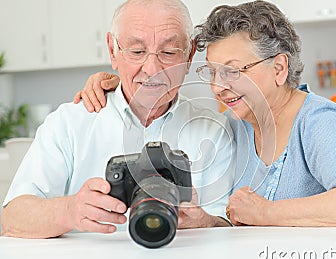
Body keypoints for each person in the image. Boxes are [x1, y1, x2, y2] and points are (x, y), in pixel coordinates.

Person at [75, 0, 336, 227]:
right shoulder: (239, 125)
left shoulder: (318, 121)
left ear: (279, 68)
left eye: (233, 72)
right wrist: (116, 83)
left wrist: (266, 213)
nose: (218, 87)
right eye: (213, 73)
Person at [1, 0, 235, 238]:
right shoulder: (69, 123)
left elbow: (226, 226)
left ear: (189, 54)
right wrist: (69, 210)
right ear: (113, 51)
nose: (152, 69)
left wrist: (205, 222)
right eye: (137, 52)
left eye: (169, 52)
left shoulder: (214, 130)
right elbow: (11, 217)